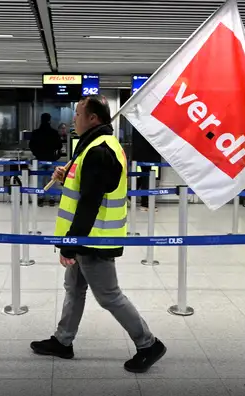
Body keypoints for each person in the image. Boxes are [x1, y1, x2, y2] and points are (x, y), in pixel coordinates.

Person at [30, 95, 166, 373]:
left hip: (94, 238)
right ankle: (62, 341)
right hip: (87, 235)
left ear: (93, 118)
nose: (74, 119)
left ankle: (148, 344)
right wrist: (67, 174)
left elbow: (90, 201)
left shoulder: (100, 150)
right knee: (75, 288)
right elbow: (86, 185)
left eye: (78, 113)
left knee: (108, 296)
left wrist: (71, 243)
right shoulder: (92, 145)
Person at [29, 113, 63, 206]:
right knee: (52, 179)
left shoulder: (36, 132)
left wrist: (37, 154)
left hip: (39, 159)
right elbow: (59, 145)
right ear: (49, 120)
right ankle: (52, 198)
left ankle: (40, 198)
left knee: (40, 179)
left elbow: (31, 145)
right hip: (51, 159)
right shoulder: (54, 132)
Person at [131, 127, 161, 210]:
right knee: (146, 176)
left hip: (142, 153)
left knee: (145, 176)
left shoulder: (139, 125)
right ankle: (144, 202)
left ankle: (132, 194)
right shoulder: (144, 125)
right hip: (145, 153)